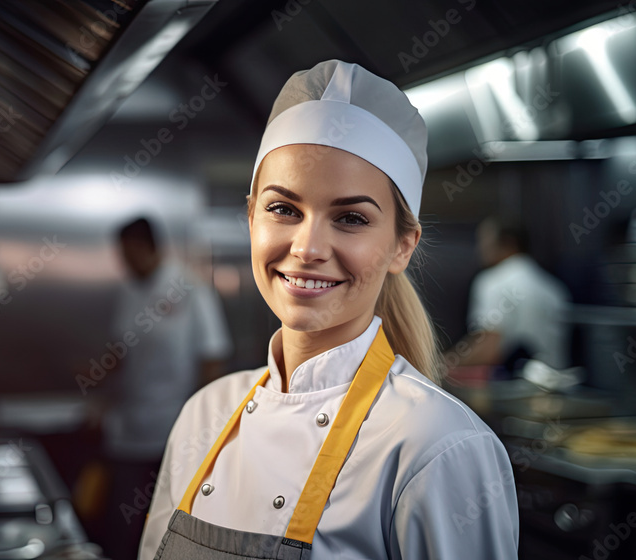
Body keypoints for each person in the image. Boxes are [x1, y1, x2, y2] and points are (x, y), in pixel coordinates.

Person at [138, 61, 519, 559]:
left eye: (351, 218)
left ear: (402, 247)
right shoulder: (205, 415)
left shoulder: (439, 446)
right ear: (251, 217)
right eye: (284, 209)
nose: (308, 247)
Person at [99, 216, 232, 560]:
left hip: (177, 433)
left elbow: (212, 358)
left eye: (129, 254)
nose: (125, 263)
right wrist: (96, 381)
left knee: (173, 527)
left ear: (148, 248)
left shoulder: (189, 289)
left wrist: (205, 428)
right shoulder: (128, 290)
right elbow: (120, 353)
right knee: (123, 527)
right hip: (128, 430)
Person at [450, 216, 571, 370]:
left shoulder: (493, 281)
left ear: (508, 242)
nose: (479, 249)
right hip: (557, 388)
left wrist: (444, 365)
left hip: (512, 388)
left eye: (484, 241)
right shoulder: (554, 289)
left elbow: (488, 349)